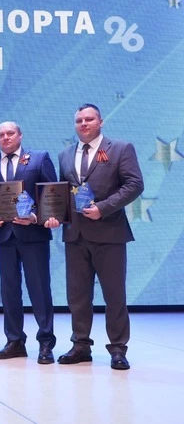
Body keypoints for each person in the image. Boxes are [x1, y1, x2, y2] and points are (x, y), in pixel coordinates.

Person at [46, 103, 143, 370]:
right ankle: (80, 345)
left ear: (101, 122)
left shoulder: (120, 148)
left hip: (110, 233)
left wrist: (103, 207)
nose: (84, 124)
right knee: (77, 296)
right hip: (75, 235)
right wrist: (54, 215)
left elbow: (135, 184)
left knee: (114, 295)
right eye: (79, 120)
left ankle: (118, 348)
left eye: (89, 119)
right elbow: (62, 192)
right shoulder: (65, 154)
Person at [0, 121, 57, 364]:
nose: (5, 137)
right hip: (3, 235)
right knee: (9, 290)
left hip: (33, 235)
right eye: (1, 134)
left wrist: (35, 217)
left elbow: (51, 195)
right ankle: (14, 341)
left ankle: (46, 343)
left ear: (20, 135)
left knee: (39, 289)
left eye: (10, 133)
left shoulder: (39, 159)